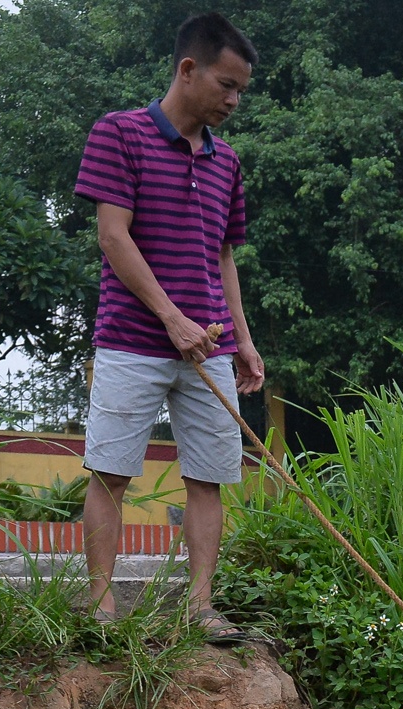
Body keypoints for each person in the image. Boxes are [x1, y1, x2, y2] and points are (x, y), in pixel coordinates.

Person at [74, 11, 265, 643]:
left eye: (241, 90)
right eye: (226, 85)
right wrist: (172, 319)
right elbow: (112, 235)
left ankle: (201, 607)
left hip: (208, 348)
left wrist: (240, 340)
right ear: (188, 69)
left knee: (210, 475)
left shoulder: (226, 162)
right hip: (132, 341)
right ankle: (101, 606)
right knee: (110, 472)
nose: (234, 100)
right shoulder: (119, 134)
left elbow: (223, 257)